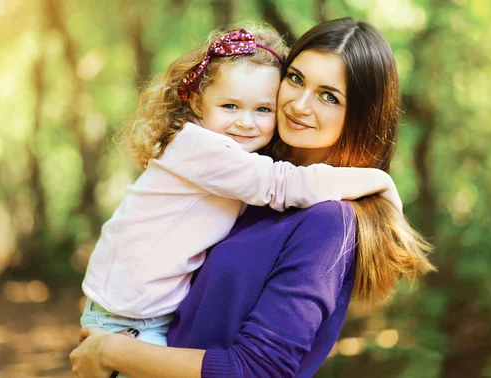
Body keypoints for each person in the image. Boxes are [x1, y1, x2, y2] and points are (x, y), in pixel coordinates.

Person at [70, 17, 435, 378]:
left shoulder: (328, 220)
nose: (299, 104)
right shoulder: (245, 178)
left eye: (329, 96)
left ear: (360, 116)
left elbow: (258, 370)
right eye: (295, 79)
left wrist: (113, 351)